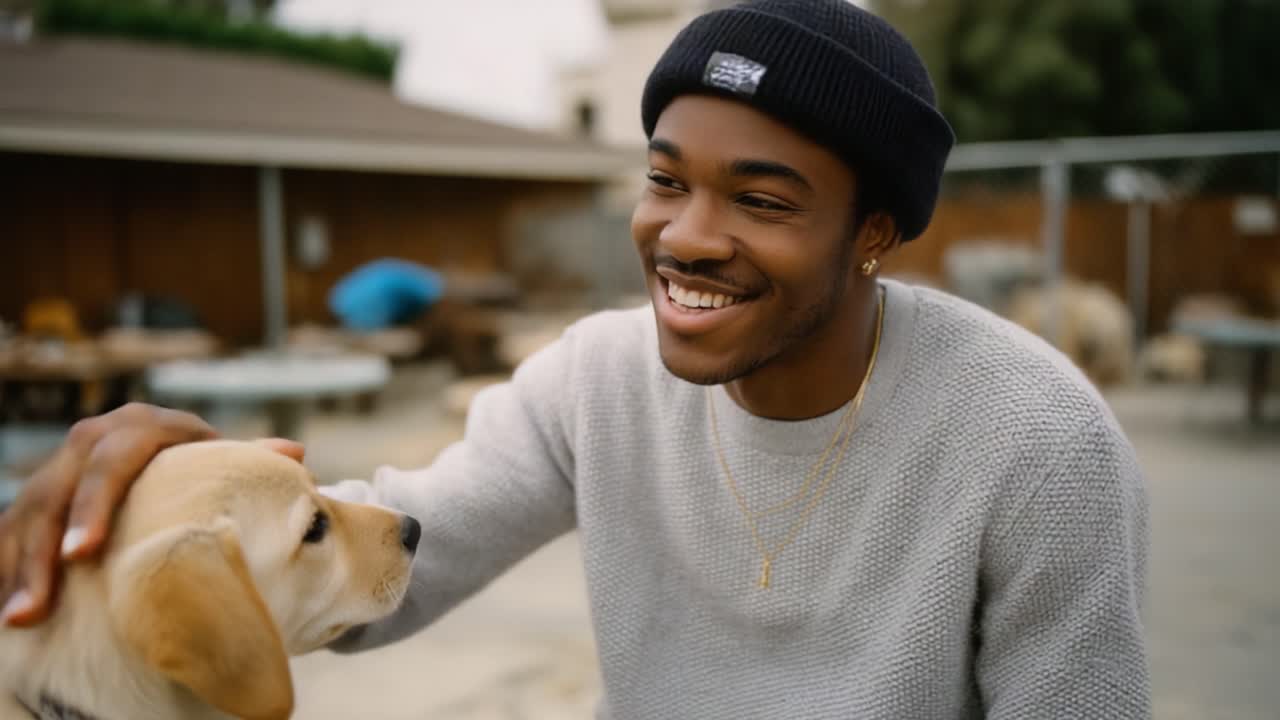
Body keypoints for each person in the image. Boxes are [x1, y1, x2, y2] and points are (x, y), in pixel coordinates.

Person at [0, 1, 1150, 717]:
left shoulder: (1034, 444)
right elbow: (399, 552)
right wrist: (201, 489)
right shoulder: (597, 380)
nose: (685, 235)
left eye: (759, 197)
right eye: (664, 180)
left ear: (873, 234)